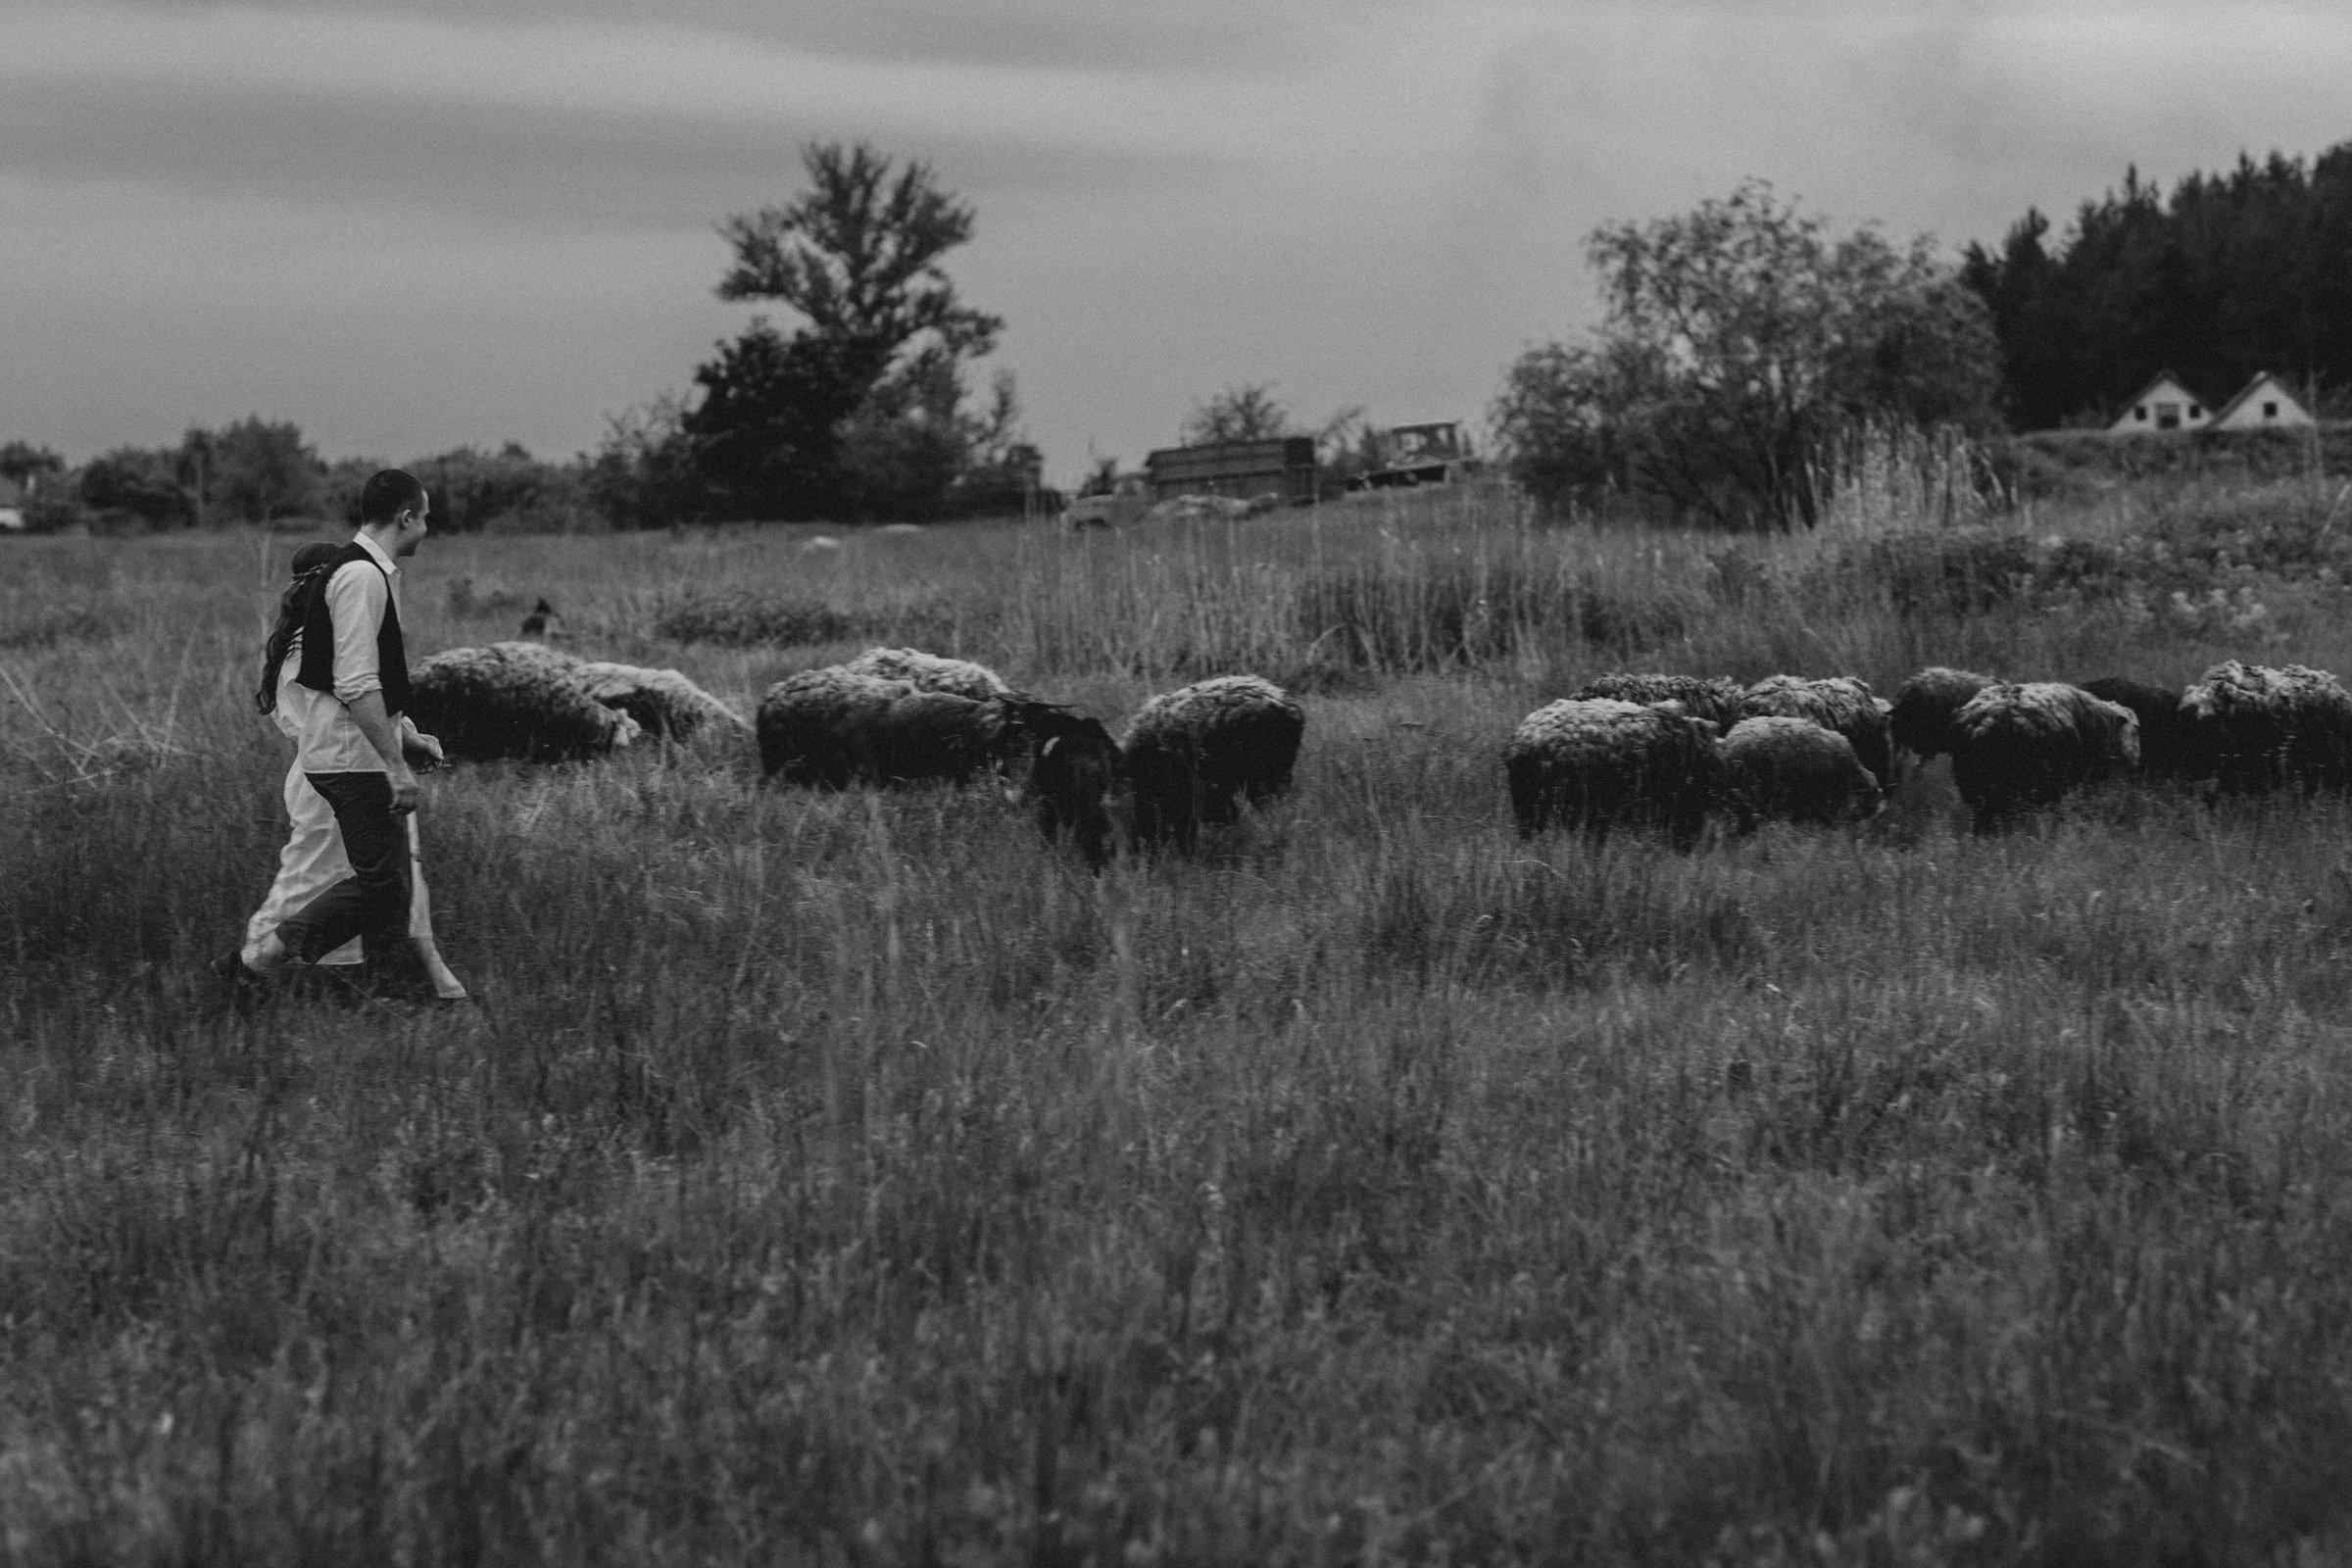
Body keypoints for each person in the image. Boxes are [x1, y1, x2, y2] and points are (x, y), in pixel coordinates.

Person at [219, 470, 447, 1001]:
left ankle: (363, 976)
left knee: (377, 884)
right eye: (426, 516)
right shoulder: (360, 578)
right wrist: (395, 763)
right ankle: (252, 963)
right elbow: (355, 684)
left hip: (351, 756)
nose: (429, 527)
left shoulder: (368, 575)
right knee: (347, 882)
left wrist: (405, 739)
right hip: (351, 762)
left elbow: (359, 685)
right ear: (406, 517)